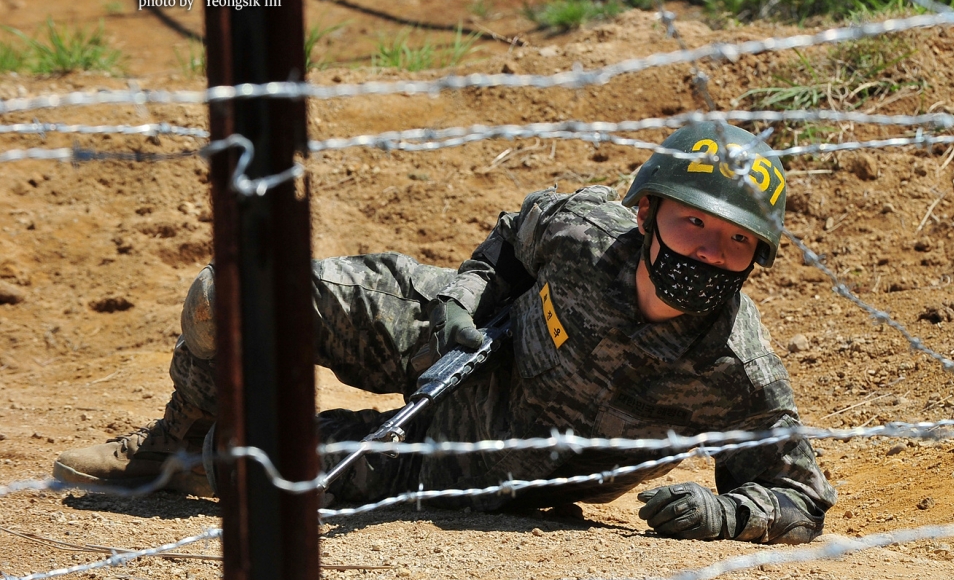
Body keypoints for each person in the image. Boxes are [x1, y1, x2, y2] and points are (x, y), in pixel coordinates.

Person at [54, 123, 835, 544]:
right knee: (227, 296)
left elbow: (798, 496)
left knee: (253, 468)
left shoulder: (740, 370)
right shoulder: (589, 232)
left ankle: (197, 459)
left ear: (755, 258)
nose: (706, 250)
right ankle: (163, 447)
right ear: (646, 215)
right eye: (690, 222)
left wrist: (726, 515)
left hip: (461, 465)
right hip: (451, 335)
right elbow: (516, 232)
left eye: (732, 240)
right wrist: (465, 295)